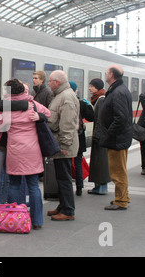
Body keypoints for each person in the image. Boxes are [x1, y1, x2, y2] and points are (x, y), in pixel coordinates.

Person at [0, 79, 51, 229]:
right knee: (34, 186)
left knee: (14, 185)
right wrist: (39, 117)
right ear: (24, 91)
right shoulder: (33, 105)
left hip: (15, 150)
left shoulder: (6, 108)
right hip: (32, 150)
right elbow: (48, 114)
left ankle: (15, 218)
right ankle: (37, 222)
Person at [46, 70, 80, 221]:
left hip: (63, 144)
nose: (48, 83)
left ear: (57, 82)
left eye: (50, 81)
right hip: (60, 142)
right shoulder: (62, 95)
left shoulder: (65, 97)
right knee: (60, 177)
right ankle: (62, 206)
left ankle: (68, 210)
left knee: (64, 178)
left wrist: (64, 146)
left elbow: (67, 124)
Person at [99, 64, 133, 211]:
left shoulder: (118, 92)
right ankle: (124, 197)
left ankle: (121, 201)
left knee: (118, 172)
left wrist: (108, 133)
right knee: (120, 170)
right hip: (118, 138)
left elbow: (120, 118)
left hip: (117, 139)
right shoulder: (119, 89)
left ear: (112, 75)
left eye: (107, 72)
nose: (105, 74)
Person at [69, 81, 94, 196]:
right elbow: (91, 117)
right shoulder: (81, 102)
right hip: (79, 136)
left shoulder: (64, 100)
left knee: (67, 162)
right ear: (75, 90)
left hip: (67, 135)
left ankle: (67, 187)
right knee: (78, 162)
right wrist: (88, 105)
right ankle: (79, 187)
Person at [87, 78, 111, 195]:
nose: (89, 88)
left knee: (100, 161)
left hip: (100, 136)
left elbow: (100, 120)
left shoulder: (101, 100)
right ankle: (98, 186)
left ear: (98, 88)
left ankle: (101, 186)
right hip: (101, 135)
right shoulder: (99, 99)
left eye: (92, 86)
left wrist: (97, 136)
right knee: (98, 161)